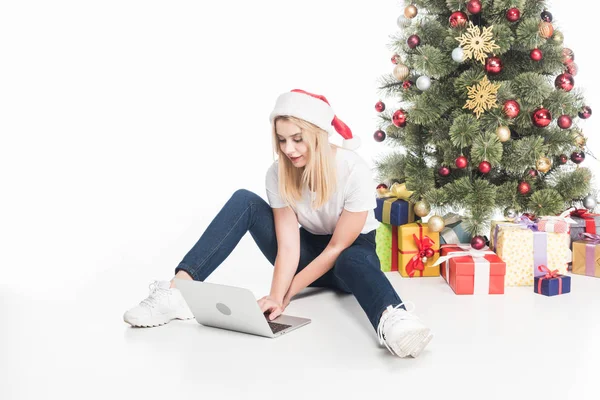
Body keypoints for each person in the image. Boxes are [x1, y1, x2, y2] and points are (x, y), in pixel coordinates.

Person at [123, 89, 433, 358]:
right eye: (282, 140)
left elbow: (336, 247)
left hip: (349, 257)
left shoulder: (354, 170)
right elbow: (287, 245)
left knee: (351, 257)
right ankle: (179, 289)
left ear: (317, 134)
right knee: (244, 199)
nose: (288, 149)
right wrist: (274, 293)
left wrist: (285, 295)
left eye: (298, 140)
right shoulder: (278, 173)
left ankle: (395, 320)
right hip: (304, 250)